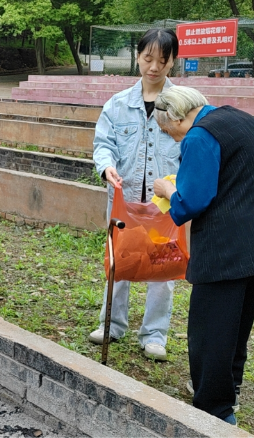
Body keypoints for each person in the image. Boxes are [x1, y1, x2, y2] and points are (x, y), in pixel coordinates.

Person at [152, 86, 254, 426]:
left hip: (227, 249)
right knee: (237, 325)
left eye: (167, 131)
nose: (172, 139)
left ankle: (215, 410)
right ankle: (229, 385)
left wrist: (168, 189)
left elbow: (191, 202)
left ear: (176, 117)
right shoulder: (242, 120)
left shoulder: (199, 137)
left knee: (210, 330)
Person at [90, 28, 181, 361]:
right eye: (147, 58)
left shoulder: (182, 106)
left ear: (172, 61)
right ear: (138, 57)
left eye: (162, 60)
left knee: (163, 267)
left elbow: (193, 151)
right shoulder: (118, 105)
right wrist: (107, 167)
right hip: (124, 197)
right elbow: (103, 144)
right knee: (120, 260)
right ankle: (112, 324)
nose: (153, 67)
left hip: (166, 202)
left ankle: (155, 334)